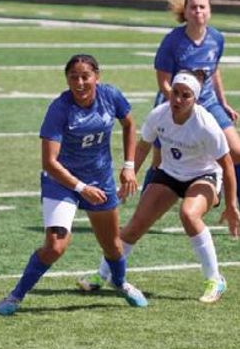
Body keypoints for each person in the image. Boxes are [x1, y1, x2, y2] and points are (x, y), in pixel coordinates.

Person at [0, 54, 148, 316]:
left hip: (100, 180)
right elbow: (49, 162)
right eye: (73, 77)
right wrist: (80, 188)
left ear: (97, 77)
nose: (79, 82)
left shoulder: (111, 96)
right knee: (55, 246)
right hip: (61, 182)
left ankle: (119, 283)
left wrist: (129, 166)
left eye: (85, 76)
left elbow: (130, 123)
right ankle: (16, 295)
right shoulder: (60, 108)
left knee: (112, 246)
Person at [78, 71, 240, 303]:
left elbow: (227, 164)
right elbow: (144, 146)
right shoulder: (159, 115)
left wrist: (232, 204)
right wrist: (130, 169)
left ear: (195, 99)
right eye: (175, 93)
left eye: (186, 95)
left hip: (204, 175)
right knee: (135, 225)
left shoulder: (206, 125)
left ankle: (215, 279)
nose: (178, 99)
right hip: (170, 174)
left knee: (189, 214)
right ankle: (102, 274)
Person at [143, 0, 240, 205]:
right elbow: (164, 84)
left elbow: (214, 71)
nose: (198, 11)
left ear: (210, 11)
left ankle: (233, 204)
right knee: (159, 162)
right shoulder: (172, 41)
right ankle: (143, 209)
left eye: (202, 7)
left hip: (208, 102)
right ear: (185, 12)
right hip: (174, 103)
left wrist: (223, 103)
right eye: (193, 7)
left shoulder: (216, 38)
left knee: (237, 151)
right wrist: (181, 105)